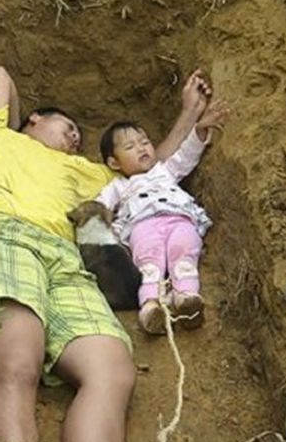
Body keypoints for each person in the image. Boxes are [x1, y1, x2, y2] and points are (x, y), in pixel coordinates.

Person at [0, 65, 211, 442]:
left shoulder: (87, 172)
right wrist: (17, 123)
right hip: (4, 234)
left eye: (79, 136)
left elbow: (149, 168)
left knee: (112, 370)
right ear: (34, 119)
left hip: (67, 259)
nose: (75, 138)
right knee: (17, 359)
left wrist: (190, 111)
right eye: (68, 127)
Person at [96, 92, 229, 335]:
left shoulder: (164, 171)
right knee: (149, 264)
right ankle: (150, 307)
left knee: (184, 254)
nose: (141, 148)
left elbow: (186, 156)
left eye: (145, 141)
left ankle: (187, 298)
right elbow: (99, 207)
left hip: (180, 220)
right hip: (142, 226)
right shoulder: (119, 186)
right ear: (114, 163)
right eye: (130, 146)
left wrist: (200, 130)